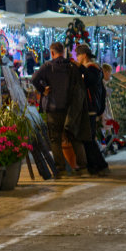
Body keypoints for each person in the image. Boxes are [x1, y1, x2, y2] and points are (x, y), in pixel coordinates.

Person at [31, 42, 86, 178]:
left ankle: (61, 169)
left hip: (53, 109)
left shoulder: (47, 67)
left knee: (55, 139)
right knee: (74, 136)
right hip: (69, 108)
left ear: (52, 52)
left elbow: (34, 79)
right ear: (63, 52)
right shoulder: (71, 66)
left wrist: (43, 90)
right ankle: (83, 166)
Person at [75, 44, 110, 176]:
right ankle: (96, 165)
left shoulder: (92, 68)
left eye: (78, 55)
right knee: (88, 138)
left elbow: (90, 80)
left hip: (90, 107)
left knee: (88, 138)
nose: (77, 58)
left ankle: (99, 165)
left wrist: (81, 68)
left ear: (83, 55)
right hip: (91, 107)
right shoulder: (92, 68)